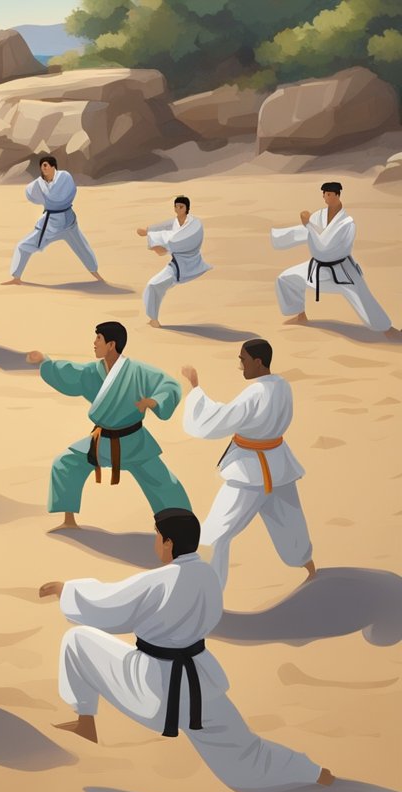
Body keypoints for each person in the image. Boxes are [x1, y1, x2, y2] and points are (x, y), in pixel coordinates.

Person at [39, 508, 334, 792]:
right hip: (202, 684)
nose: (155, 543)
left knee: (77, 641)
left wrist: (66, 591)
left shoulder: (159, 580)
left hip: (153, 683)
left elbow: (108, 604)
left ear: (169, 543)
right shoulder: (208, 575)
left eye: (157, 536)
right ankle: (313, 772)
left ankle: (85, 719)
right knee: (244, 750)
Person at [27, 321, 190, 531]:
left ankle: (180, 527)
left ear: (111, 344)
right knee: (66, 463)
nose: (94, 343)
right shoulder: (93, 372)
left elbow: (168, 385)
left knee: (163, 483)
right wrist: (45, 362)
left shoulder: (138, 371)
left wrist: (154, 401)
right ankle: (69, 521)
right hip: (100, 441)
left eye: (98, 339)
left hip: (134, 442)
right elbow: (70, 372)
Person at [182, 339, 315, 588]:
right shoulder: (282, 385)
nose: (240, 366)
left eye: (243, 360)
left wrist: (196, 390)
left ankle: (205, 591)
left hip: (249, 472)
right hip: (280, 465)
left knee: (215, 532)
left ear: (258, 361)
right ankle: (309, 567)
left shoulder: (256, 392)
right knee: (290, 522)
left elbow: (220, 419)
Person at [273, 181, 399, 337]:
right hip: (318, 266)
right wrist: (279, 237)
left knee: (363, 298)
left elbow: (324, 246)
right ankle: (300, 315)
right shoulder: (319, 215)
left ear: (338, 195)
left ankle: (387, 329)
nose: (325, 198)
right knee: (285, 278)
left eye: (328, 194)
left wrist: (308, 225)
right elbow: (307, 233)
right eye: (324, 194)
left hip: (342, 270)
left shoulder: (347, 224)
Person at [7, 156, 104, 285]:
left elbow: (62, 195)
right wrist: (46, 200)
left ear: (53, 167)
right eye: (42, 166)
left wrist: (47, 199)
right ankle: (16, 277)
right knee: (23, 245)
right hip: (50, 224)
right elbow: (30, 194)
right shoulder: (39, 183)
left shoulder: (64, 177)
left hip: (68, 222)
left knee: (82, 247)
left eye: (46, 165)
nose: (43, 168)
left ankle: (96, 274)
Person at [138, 195, 211, 327]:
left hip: (189, 262)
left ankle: (154, 320)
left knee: (154, 285)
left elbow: (185, 240)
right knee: (153, 285)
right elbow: (161, 226)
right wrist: (148, 230)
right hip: (177, 263)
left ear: (187, 208)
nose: (178, 209)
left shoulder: (194, 224)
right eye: (176, 206)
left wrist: (165, 244)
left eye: (181, 206)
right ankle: (153, 319)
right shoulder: (174, 222)